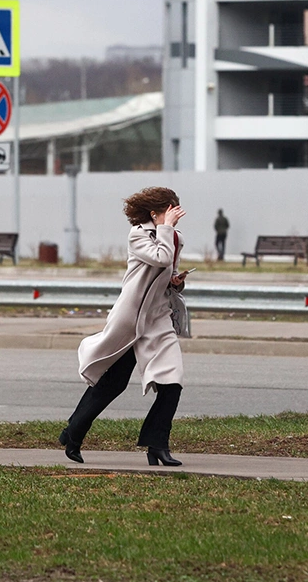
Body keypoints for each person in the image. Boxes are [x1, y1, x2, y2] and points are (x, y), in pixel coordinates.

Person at [58, 186, 189, 467]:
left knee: (172, 380)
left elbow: (168, 269)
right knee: (112, 383)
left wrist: (177, 281)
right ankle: (73, 433)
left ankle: (157, 444)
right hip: (130, 321)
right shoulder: (138, 235)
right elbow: (160, 258)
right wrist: (167, 230)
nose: (175, 214)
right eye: (170, 209)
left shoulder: (174, 237)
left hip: (157, 319)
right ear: (154, 214)